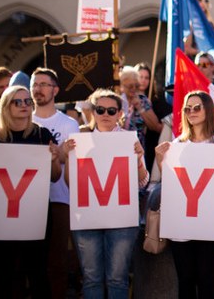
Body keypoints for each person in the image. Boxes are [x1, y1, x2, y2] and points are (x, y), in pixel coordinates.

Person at [62, 88, 148, 299]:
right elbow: (71, 183)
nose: (106, 115)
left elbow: (143, 182)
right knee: (91, 279)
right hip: (88, 218)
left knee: (117, 279)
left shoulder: (130, 140)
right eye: (100, 110)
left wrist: (137, 160)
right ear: (93, 112)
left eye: (112, 110)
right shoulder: (80, 139)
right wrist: (67, 158)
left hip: (121, 220)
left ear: (120, 114)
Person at [154, 91, 214, 299]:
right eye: (187, 109)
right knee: (186, 280)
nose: (192, 112)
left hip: (210, 223)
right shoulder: (177, 145)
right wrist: (160, 160)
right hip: (181, 225)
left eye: (197, 107)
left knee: (209, 280)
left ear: (208, 110)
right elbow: (171, 185)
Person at [0, 85, 60, 298]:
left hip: (35, 215)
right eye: (17, 102)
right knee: (2, 273)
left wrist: (54, 160)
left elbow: (55, 177)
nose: (24, 106)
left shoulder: (41, 134)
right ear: (5, 106)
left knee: (37, 272)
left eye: (28, 101)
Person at [30, 68, 80, 299]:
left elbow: (69, 158)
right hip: (26, 200)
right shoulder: (23, 118)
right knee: (27, 261)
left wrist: (56, 153)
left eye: (43, 84)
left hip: (59, 197)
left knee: (57, 261)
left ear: (55, 89)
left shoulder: (69, 124)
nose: (37, 89)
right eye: (34, 84)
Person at [120, 66, 162, 171]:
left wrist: (139, 107)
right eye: (130, 86)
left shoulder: (143, 100)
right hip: (119, 147)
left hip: (137, 148)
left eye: (136, 86)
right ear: (122, 86)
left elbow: (154, 125)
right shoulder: (117, 101)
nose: (133, 89)